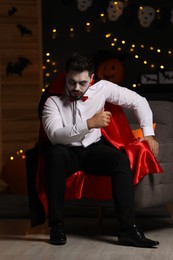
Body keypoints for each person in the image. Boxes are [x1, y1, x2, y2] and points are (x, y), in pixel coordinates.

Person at [40, 51, 161, 248]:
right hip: (65, 152)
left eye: (82, 83)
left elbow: (138, 101)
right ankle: (57, 225)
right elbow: (55, 135)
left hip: (92, 150)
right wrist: (88, 124)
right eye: (72, 82)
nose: (76, 88)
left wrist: (148, 133)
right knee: (54, 155)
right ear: (65, 75)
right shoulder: (52, 102)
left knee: (121, 161)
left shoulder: (102, 88)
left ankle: (128, 229)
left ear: (92, 78)